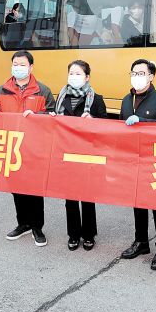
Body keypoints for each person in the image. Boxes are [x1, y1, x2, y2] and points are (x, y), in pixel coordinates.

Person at [0, 50, 56, 246]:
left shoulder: (42, 90)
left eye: (22, 64)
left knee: (34, 189)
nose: (18, 68)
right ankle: (23, 224)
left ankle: (37, 227)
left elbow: (53, 116)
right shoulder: (2, 90)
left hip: (34, 148)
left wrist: (38, 116)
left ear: (31, 67)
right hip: (11, 147)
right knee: (16, 188)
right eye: (15, 64)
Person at [119, 59, 156, 270]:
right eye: (134, 73)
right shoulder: (127, 100)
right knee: (138, 202)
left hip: (155, 160)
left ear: (151, 76)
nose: (137, 77)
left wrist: (142, 121)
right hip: (133, 159)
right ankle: (141, 241)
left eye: (141, 73)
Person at [51, 60, 107, 251]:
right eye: (71, 73)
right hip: (67, 154)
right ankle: (73, 235)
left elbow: (106, 126)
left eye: (78, 74)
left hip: (87, 154)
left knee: (88, 197)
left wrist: (93, 120)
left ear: (87, 77)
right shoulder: (61, 97)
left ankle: (89, 235)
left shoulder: (96, 99)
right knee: (71, 198)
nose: (73, 77)